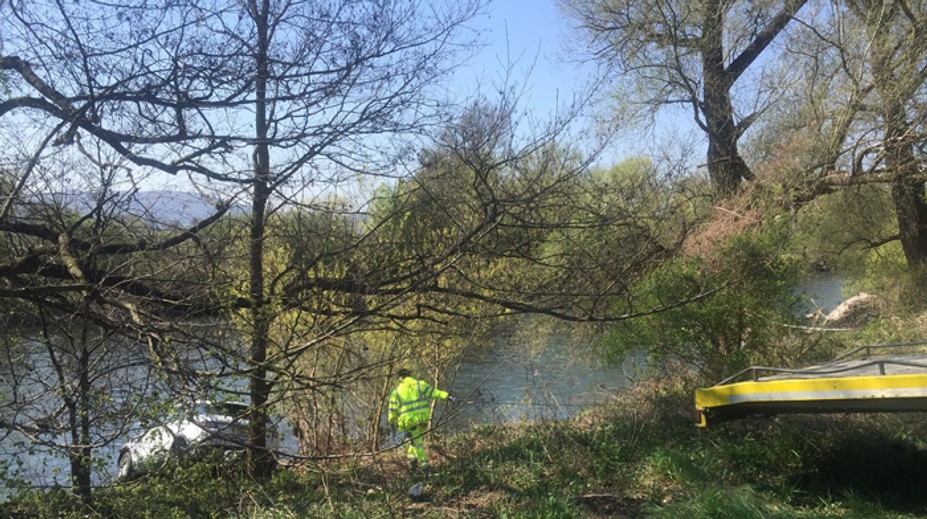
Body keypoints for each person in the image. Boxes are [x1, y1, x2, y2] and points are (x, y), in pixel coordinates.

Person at [387, 368, 457, 472]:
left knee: (416, 443)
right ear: (410, 375)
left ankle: (425, 467)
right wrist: (448, 396)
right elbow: (434, 393)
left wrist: (391, 422)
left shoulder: (396, 392)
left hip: (410, 422)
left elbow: (393, 411)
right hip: (423, 419)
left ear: (400, 378)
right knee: (415, 441)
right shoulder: (420, 385)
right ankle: (412, 460)